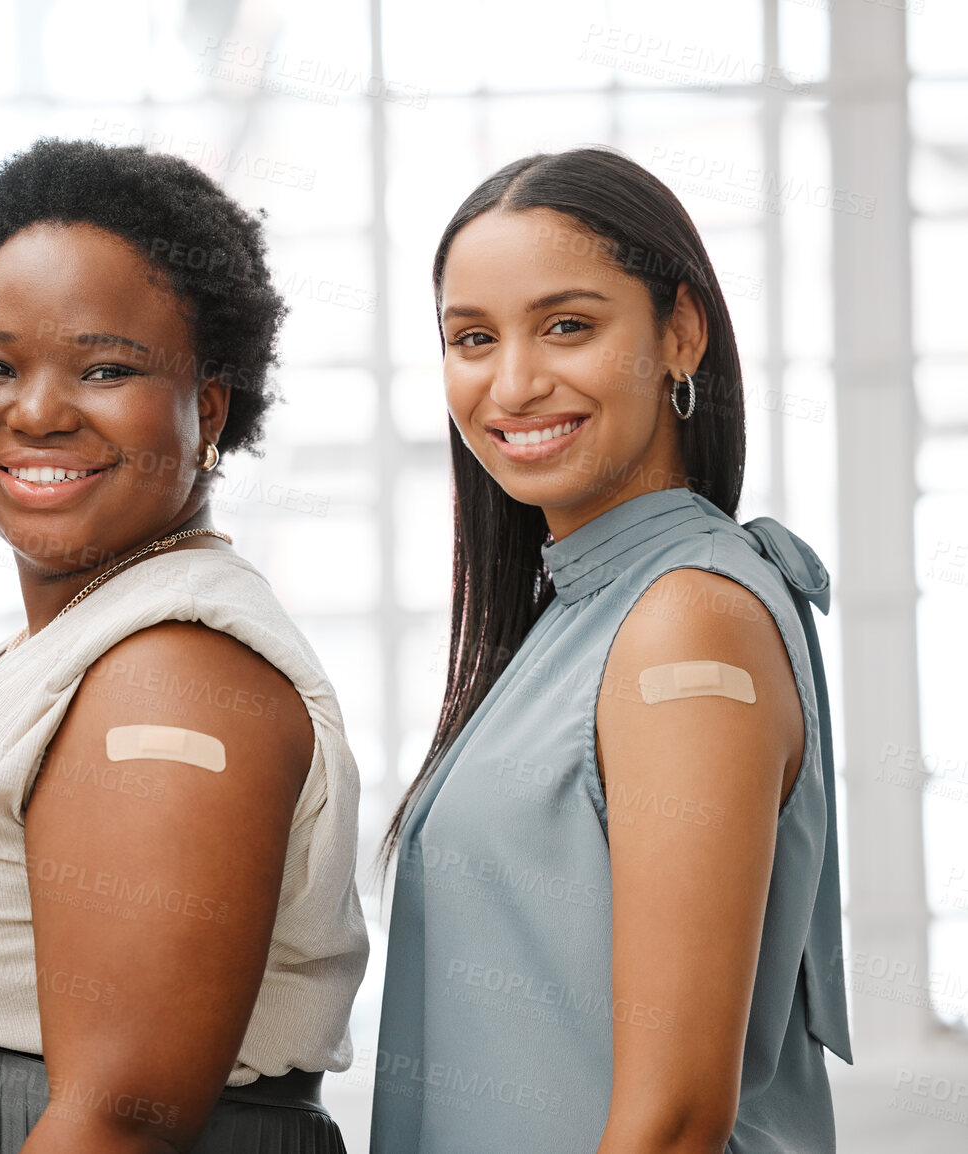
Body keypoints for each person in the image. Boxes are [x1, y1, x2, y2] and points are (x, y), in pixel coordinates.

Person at [0, 138, 370, 1153]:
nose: (37, 410)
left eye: (106, 368)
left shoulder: (176, 675)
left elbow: (123, 1120)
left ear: (210, 407)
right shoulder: (67, 647)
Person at [369, 147, 851, 1152]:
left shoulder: (688, 617)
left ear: (680, 332)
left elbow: (674, 1118)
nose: (513, 382)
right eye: (471, 337)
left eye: (568, 326)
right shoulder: (581, 610)